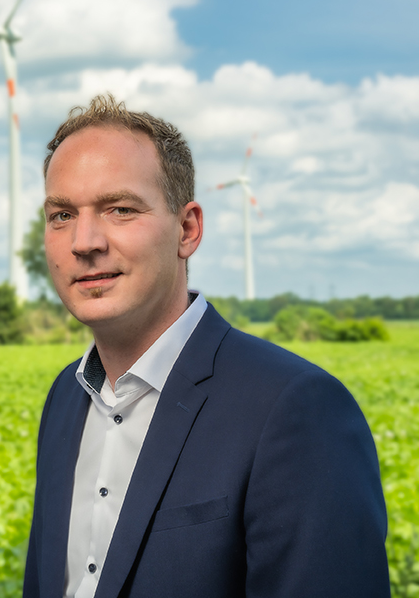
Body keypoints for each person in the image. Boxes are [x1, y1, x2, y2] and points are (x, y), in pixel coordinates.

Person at [22, 95, 389, 598]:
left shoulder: (296, 408)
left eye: (120, 209)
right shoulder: (65, 397)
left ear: (188, 229)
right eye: (62, 215)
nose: (84, 241)